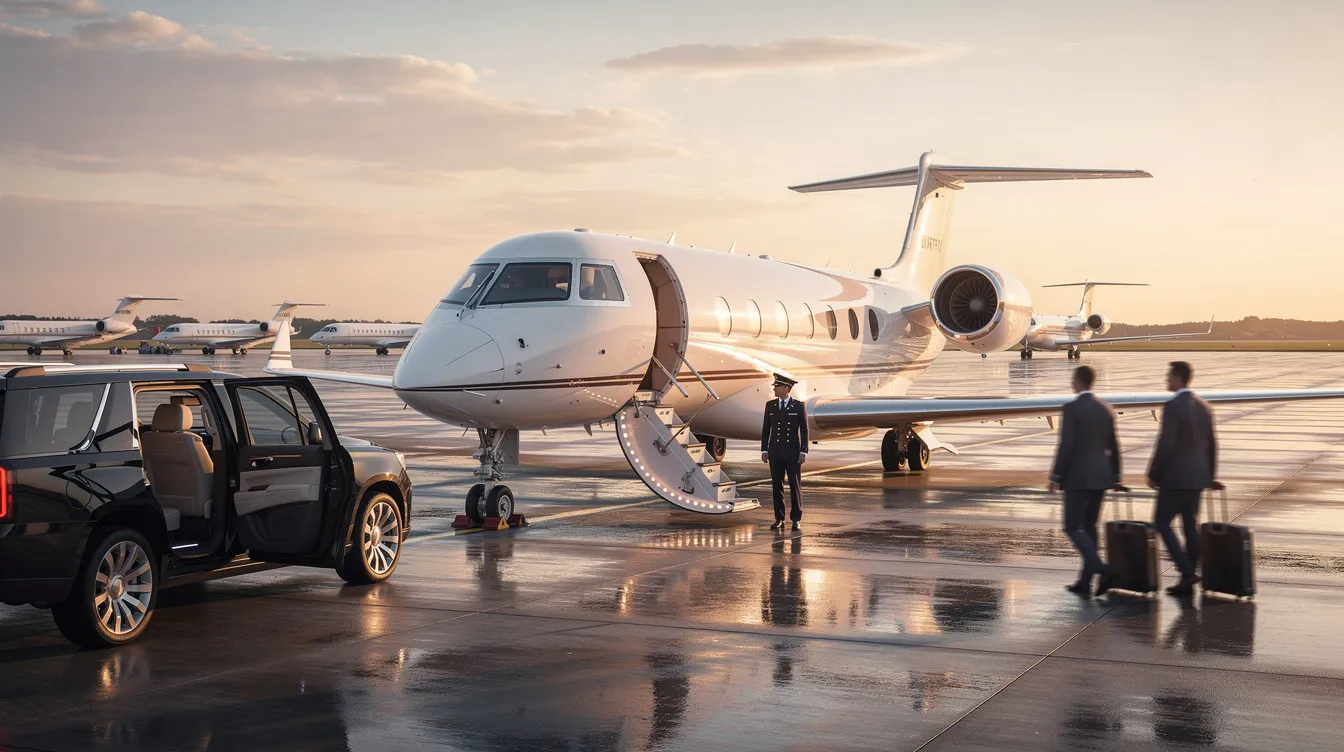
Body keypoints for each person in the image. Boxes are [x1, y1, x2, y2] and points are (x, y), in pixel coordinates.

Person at [1147, 360, 1221, 596]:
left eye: (1169, 376)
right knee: (1190, 527)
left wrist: (1153, 473)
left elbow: (1165, 444)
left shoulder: (1173, 406)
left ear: (1178, 378)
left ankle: (1187, 572)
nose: (1166, 380)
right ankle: (1186, 580)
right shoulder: (1204, 406)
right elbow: (1212, 445)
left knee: (1161, 523)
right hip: (1198, 478)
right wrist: (1209, 476)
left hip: (1175, 478)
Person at [1048, 365, 1123, 597]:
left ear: (1078, 382)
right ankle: (1084, 582)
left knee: (1072, 526)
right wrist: (1116, 476)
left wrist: (1056, 476)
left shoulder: (1072, 408)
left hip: (1078, 478)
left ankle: (1103, 569)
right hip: (1101, 477)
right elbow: (1114, 446)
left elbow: (1066, 446)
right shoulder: (1105, 409)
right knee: (1089, 527)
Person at [761, 374, 808, 531]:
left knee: (795, 486)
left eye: (777, 386)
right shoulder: (771, 406)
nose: (774, 388)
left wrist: (804, 451)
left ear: (787, 389)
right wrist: (764, 450)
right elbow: (766, 429)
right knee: (777, 486)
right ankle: (779, 518)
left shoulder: (799, 407)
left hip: (792, 453)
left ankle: (796, 518)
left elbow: (804, 431)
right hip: (775, 452)